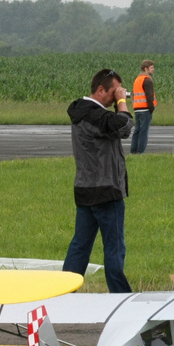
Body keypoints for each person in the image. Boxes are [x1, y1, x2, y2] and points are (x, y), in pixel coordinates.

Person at [62, 68, 134, 293]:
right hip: (106, 191)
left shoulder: (80, 111)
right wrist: (122, 102)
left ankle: (63, 291)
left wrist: (117, 99)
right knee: (114, 248)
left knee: (80, 247)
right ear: (101, 90)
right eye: (113, 91)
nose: (117, 96)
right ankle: (121, 297)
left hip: (85, 189)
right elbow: (124, 126)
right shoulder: (97, 116)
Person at [129, 59, 156, 154]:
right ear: (146, 69)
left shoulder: (137, 79)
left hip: (137, 108)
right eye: (151, 68)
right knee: (143, 132)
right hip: (145, 109)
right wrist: (151, 108)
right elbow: (149, 96)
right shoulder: (147, 80)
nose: (153, 70)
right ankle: (140, 151)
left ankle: (133, 150)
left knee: (137, 130)